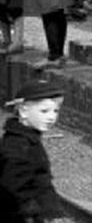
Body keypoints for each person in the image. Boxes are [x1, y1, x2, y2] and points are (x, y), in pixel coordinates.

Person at [0, 78, 65, 221]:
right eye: (44, 111)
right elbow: (14, 188)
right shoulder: (17, 147)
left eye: (55, 111)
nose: (51, 117)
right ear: (24, 111)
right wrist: (36, 215)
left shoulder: (27, 139)